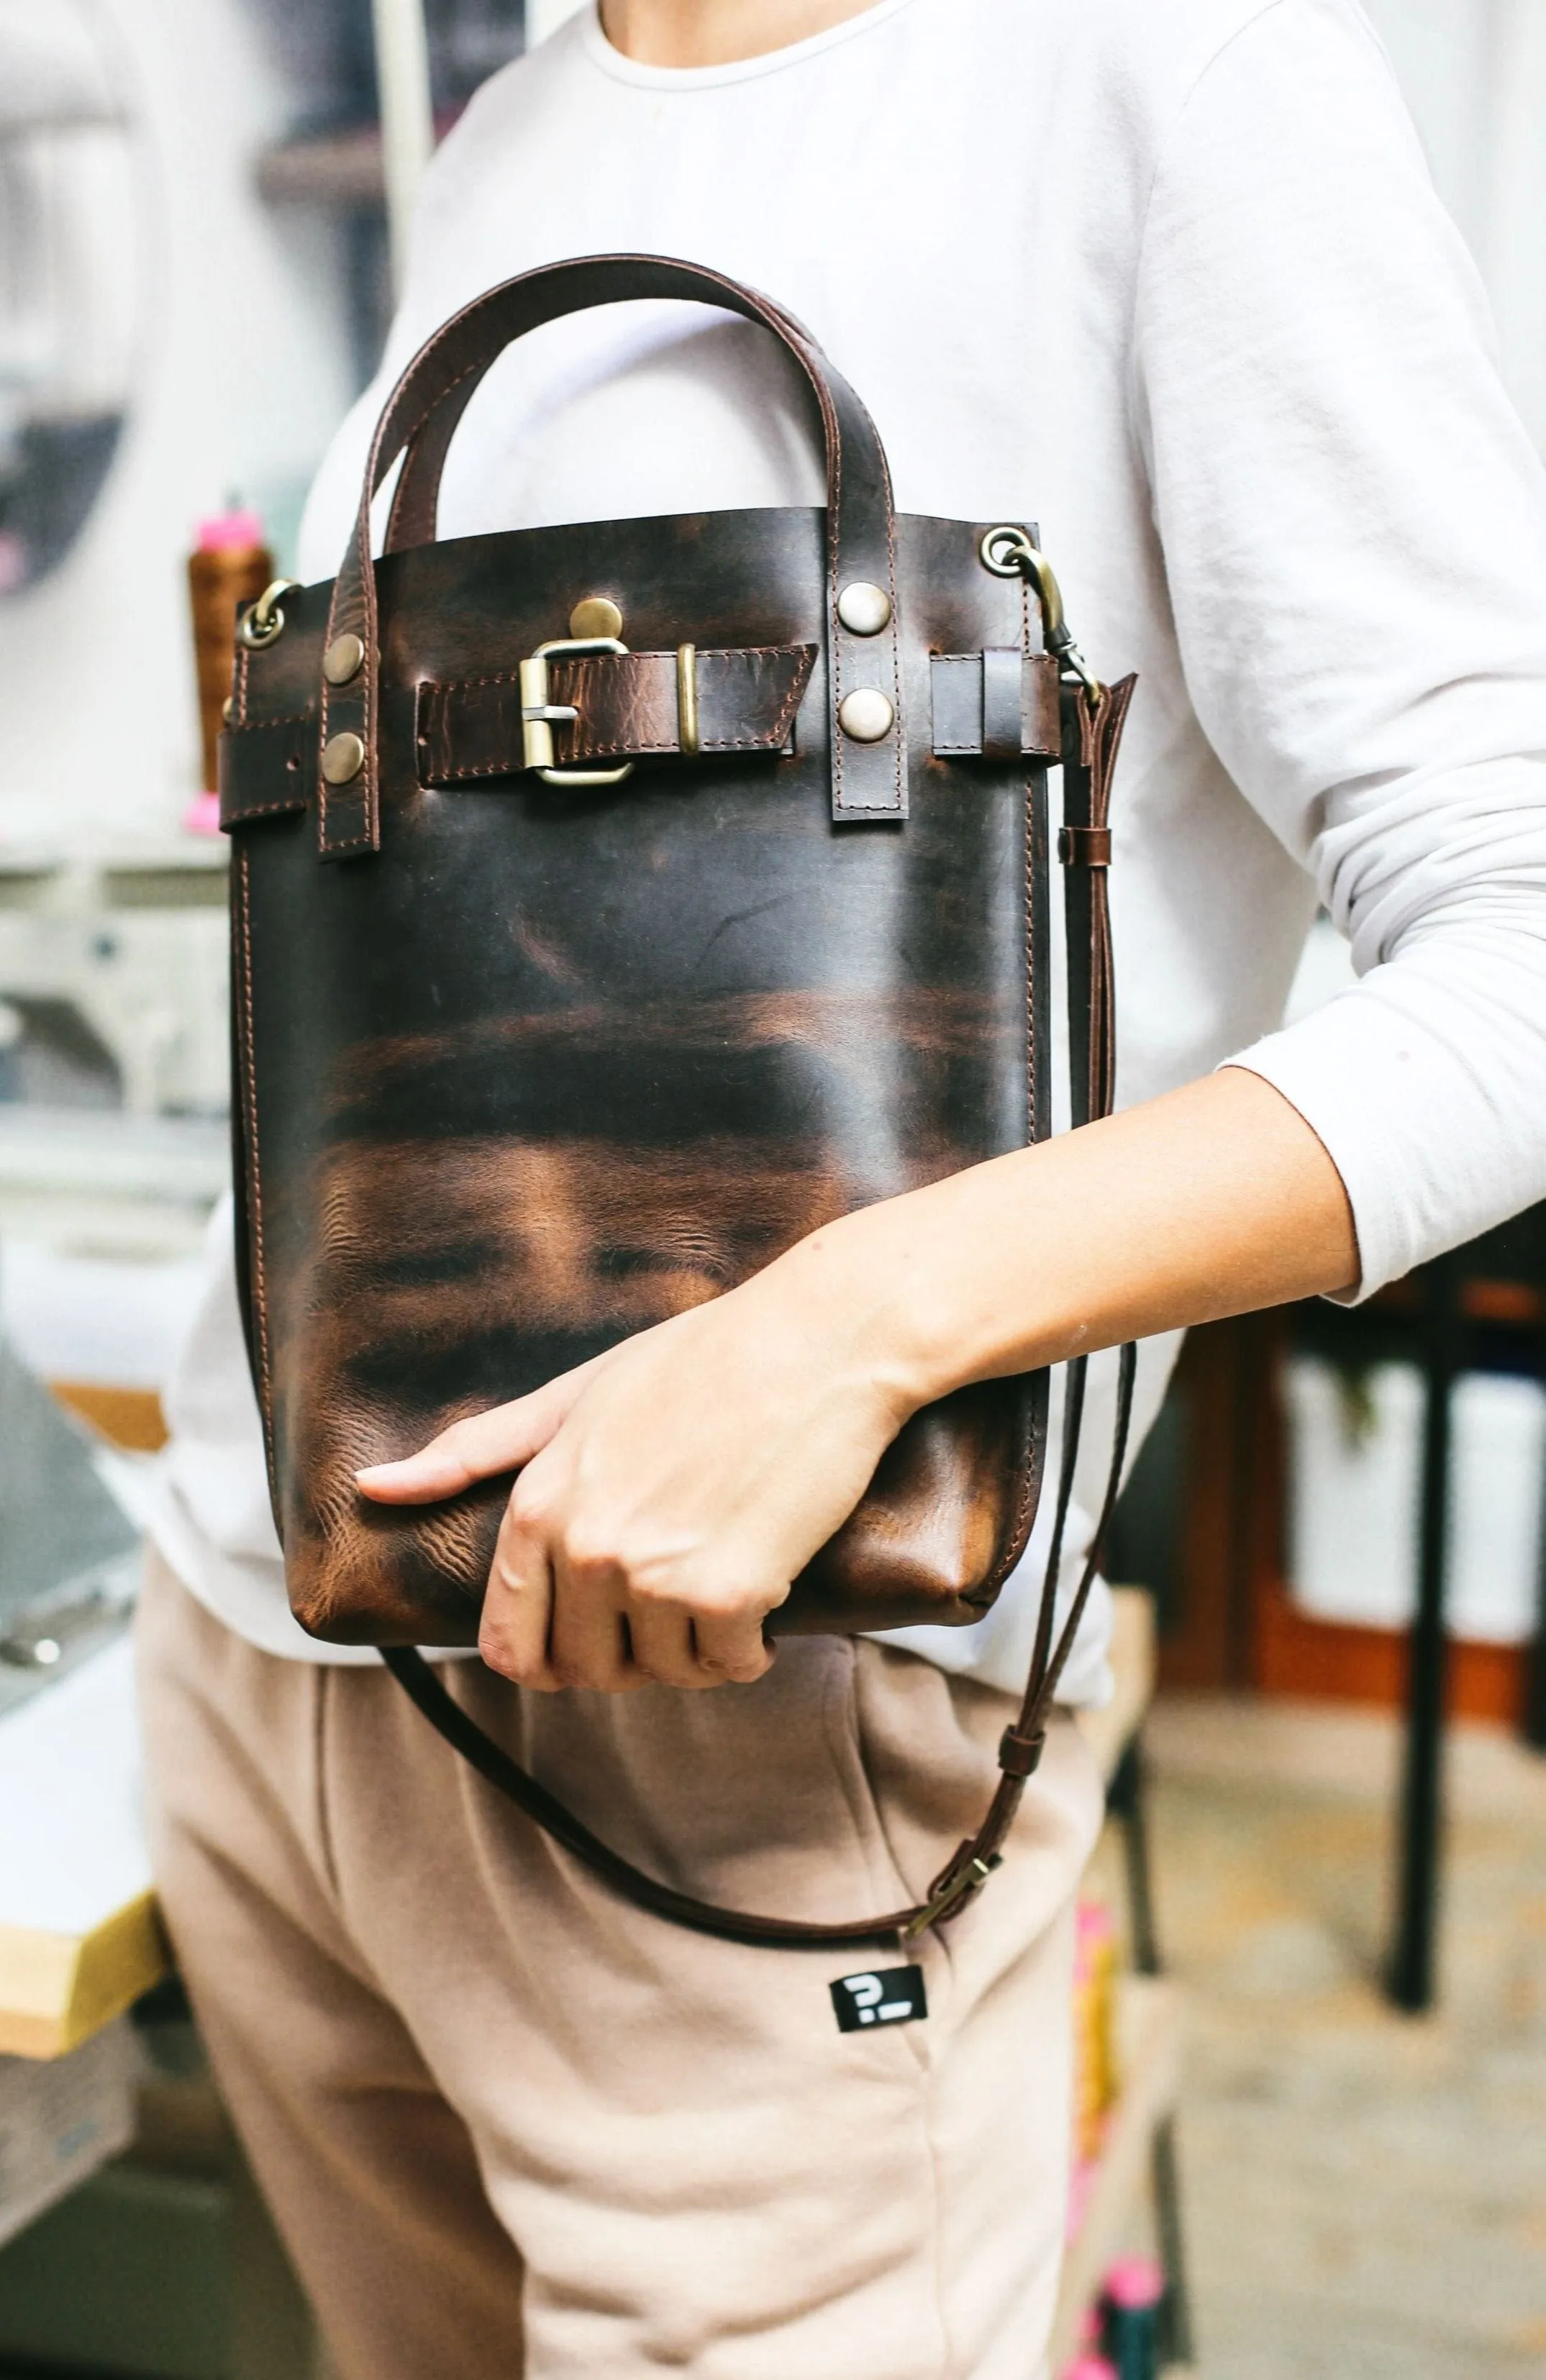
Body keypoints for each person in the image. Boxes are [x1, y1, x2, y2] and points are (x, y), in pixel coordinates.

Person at [136, 1, 1546, 2374]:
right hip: (272, 1669)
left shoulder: (1170, 70)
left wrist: (840, 1328)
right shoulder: (509, 137)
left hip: (761, 1740)